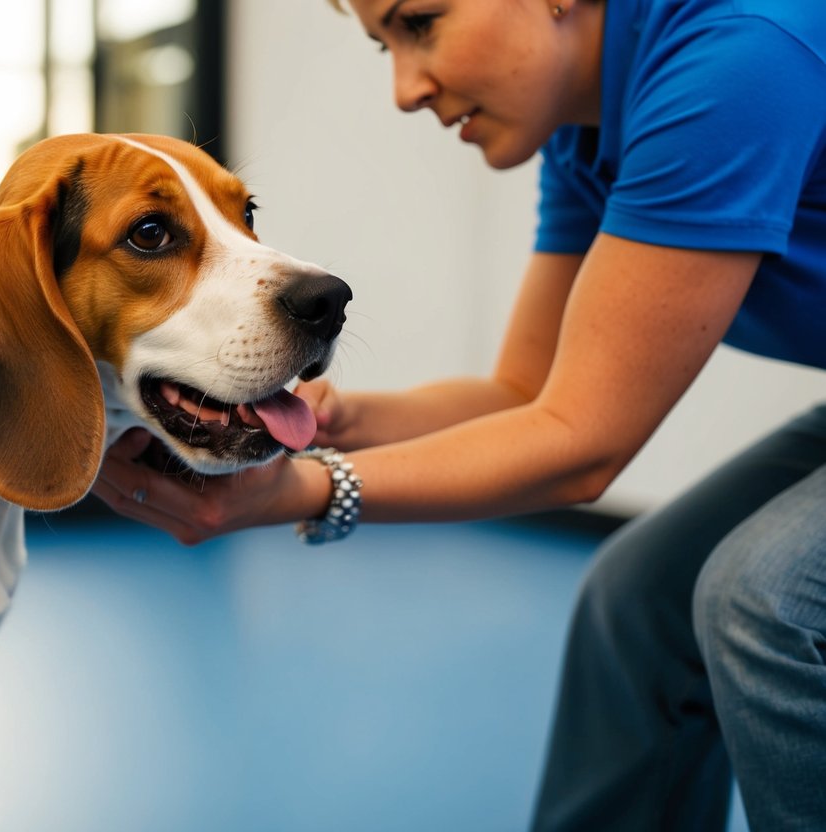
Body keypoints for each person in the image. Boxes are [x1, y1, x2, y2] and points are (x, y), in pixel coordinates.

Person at [92, 0, 826, 829]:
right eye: (384, 48)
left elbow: (582, 448)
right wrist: (338, 419)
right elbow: (526, 395)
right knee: (637, 597)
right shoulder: (586, 129)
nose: (406, 89)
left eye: (421, 22)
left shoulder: (734, 62)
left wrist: (298, 492)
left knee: (765, 604)